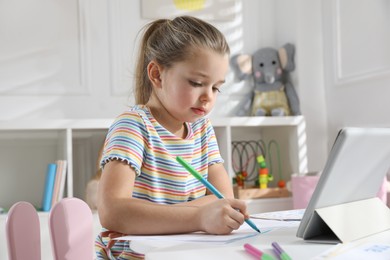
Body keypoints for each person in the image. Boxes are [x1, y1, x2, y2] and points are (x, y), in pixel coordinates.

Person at [95, 15, 250, 259]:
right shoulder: (133, 126)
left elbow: (223, 200)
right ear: (156, 74)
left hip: (184, 252)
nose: (208, 96)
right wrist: (199, 215)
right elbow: (112, 212)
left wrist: (206, 212)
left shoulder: (202, 130)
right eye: (197, 82)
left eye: (216, 87)